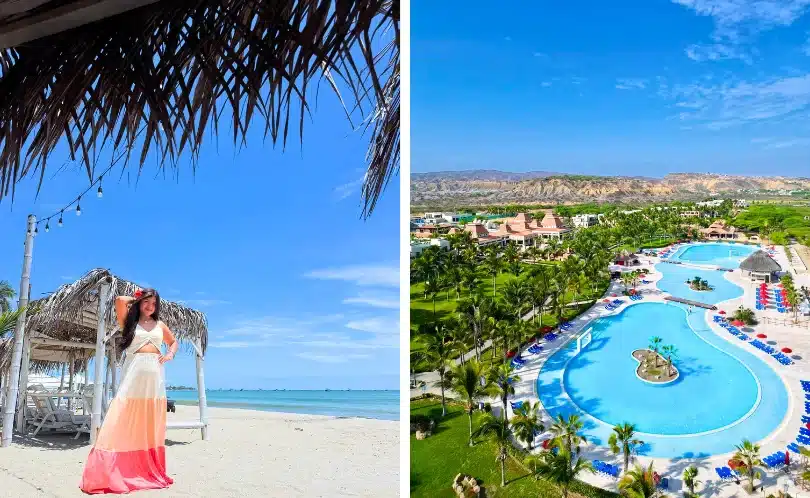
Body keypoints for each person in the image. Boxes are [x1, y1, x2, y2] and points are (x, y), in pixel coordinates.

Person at [80, 288, 178, 494]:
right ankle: (112, 468)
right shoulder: (129, 323)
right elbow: (119, 299)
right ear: (140, 303)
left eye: (154, 303)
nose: (150, 306)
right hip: (133, 377)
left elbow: (173, 342)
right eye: (146, 302)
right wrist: (138, 295)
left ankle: (144, 468)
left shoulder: (160, 325)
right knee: (121, 417)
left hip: (154, 380)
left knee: (149, 424)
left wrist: (169, 354)